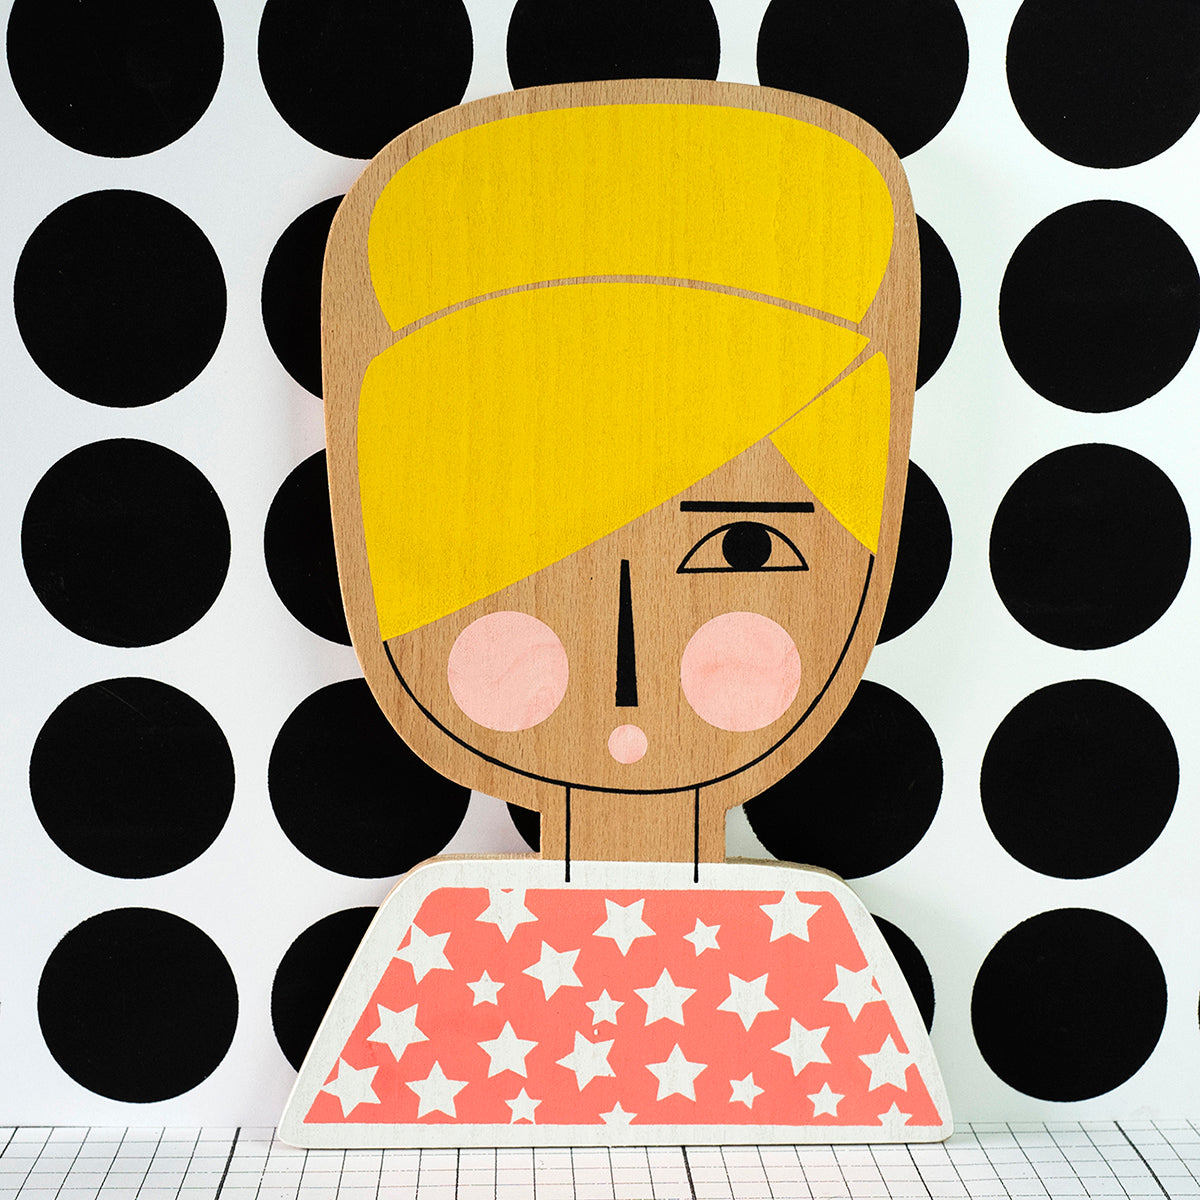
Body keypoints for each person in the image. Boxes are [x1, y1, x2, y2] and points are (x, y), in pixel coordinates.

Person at [280, 79, 949, 1146]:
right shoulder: (437, 950)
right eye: (516, 558)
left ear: (867, 569)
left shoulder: (813, 954)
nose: (628, 660)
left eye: (741, 548)